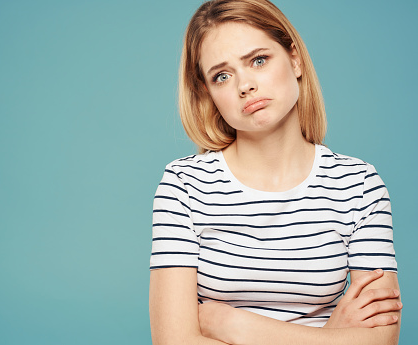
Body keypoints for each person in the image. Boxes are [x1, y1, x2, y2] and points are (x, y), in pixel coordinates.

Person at [149, 0, 402, 344]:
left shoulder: (359, 185)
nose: (244, 85)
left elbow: (382, 340)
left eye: (258, 60)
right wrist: (331, 336)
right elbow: (173, 341)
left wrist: (232, 325)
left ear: (294, 59)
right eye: (222, 75)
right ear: (208, 92)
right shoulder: (183, 185)